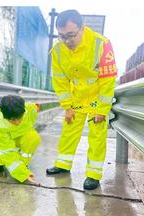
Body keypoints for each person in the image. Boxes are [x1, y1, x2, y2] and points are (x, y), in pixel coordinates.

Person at [47, 9, 117, 190]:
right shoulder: (57, 50)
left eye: (71, 35)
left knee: (97, 135)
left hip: (97, 97)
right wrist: (67, 106)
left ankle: (93, 175)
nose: (67, 41)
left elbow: (108, 79)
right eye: (62, 36)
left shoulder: (101, 44)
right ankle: (63, 165)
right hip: (77, 96)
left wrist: (102, 109)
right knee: (69, 130)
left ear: (82, 28)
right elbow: (60, 81)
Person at [0, 95, 40, 184]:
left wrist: (37, 107)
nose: (17, 122)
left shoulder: (30, 109)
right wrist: (22, 174)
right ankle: (4, 164)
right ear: (5, 116)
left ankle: (23, 164)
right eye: (12, 120)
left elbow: (35, 108)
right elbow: (6, 151)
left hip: (22, 140)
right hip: (7, 141)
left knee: (33, 137)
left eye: (19, 118)